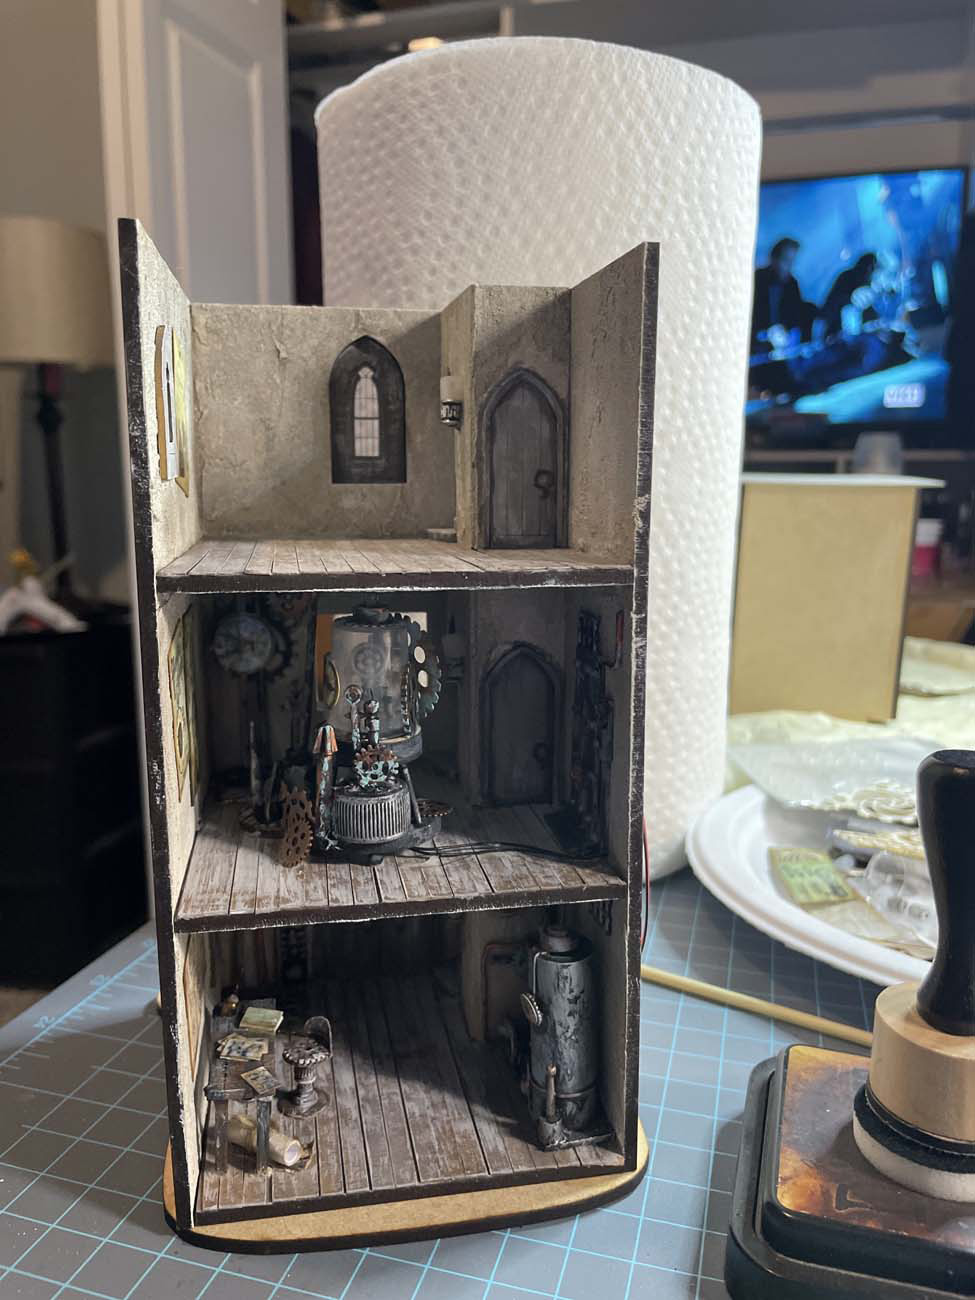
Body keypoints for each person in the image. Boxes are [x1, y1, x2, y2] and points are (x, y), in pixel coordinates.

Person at [751, 237, 805, 347]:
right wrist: (765, 335)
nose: (789, 266)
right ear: (774, 258)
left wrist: (790, 336)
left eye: (792, 261)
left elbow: (796, 317)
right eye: (786, 260)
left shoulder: (792, 284)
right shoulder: (757, 279)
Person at [820, 252, 878, 338]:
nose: (872, 271)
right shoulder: (849, 277)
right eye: (872, 267)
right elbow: (836, 299)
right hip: (836, 318)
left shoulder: (866, 282)